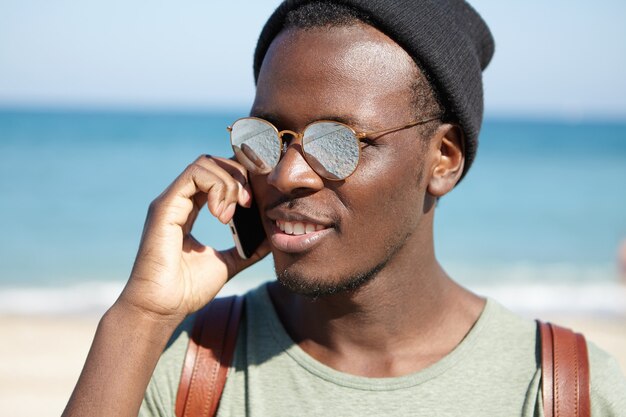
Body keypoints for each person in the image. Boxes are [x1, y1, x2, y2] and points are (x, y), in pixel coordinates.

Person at [63, 1, 626, 416]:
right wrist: (139, 317)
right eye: (269, 136)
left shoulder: (566, 390)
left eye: (338, 144)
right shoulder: (184, 368)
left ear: (444, 160)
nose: (285, 174)